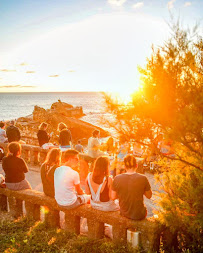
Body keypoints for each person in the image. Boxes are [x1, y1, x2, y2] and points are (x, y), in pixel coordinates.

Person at [112, 154, 152, 220]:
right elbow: (149, 196)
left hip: (124, 213)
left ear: (125, 167)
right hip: (139, 214)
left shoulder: (117, 178)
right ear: (136, 165)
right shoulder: (143, 178)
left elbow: (113, 197)